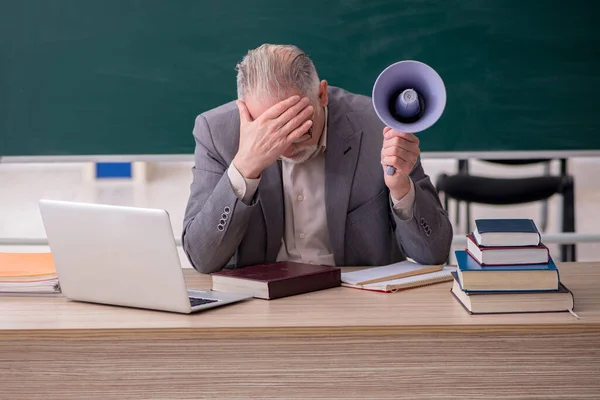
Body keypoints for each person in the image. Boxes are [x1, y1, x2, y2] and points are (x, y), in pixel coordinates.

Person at [182, 44, 452, 274]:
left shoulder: (379, 127)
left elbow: (434, 253)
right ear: (245, 110)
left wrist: (401, 188)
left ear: (322, 95)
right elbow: (202, 258)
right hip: (261, 305)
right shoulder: (217, 132)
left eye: (299, 126)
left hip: (359, 303)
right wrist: (244, 168)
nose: (284, 143)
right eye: (271, 128)